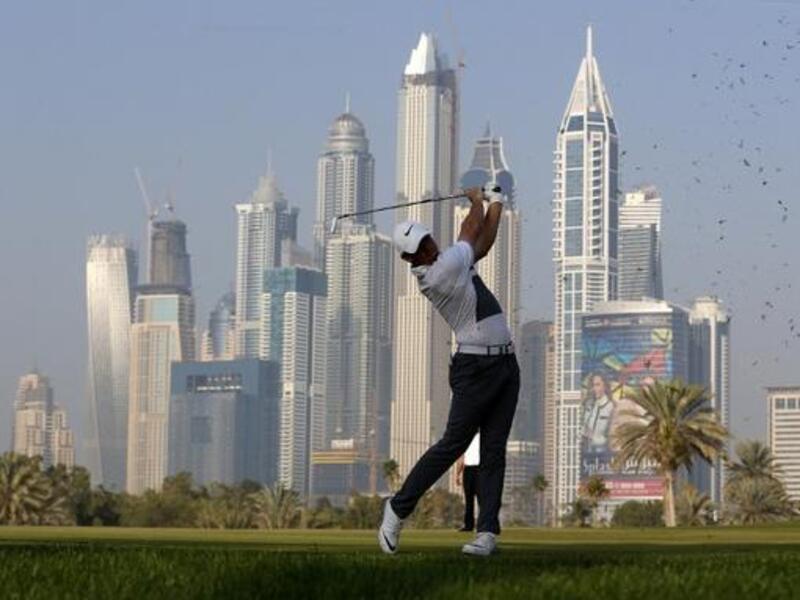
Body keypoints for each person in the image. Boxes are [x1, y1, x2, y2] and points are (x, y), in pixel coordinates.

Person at [378, 187, 519, 557]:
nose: (428, 248)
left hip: (505, 365)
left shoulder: (453, 261)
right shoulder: (438, 273)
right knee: (453, 445)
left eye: (428, 240)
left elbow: (483, 244)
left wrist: (498, 200)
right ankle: (397, 508)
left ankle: (486, 534)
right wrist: (477, 200)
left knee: (493, 452)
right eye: (421, 248)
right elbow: (472, 231)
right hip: (475, 369)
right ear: (410, 259)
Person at [582, 374, 614, 453]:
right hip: (585, 451)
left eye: (598, 385)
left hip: (601, 454)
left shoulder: (611, 407)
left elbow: (611, 436)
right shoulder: (589, 404)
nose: (595, 388)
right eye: (593, 385)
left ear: (605, 386)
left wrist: (593, 437)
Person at [456, 433, 480, 532]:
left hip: (480, 468)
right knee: (469, 499)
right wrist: (457, 474)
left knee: (481, 499)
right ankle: (468, 525)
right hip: (468, 469)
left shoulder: (484, 436)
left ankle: (483, 524)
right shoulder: (466, 437)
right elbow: (462, 458)